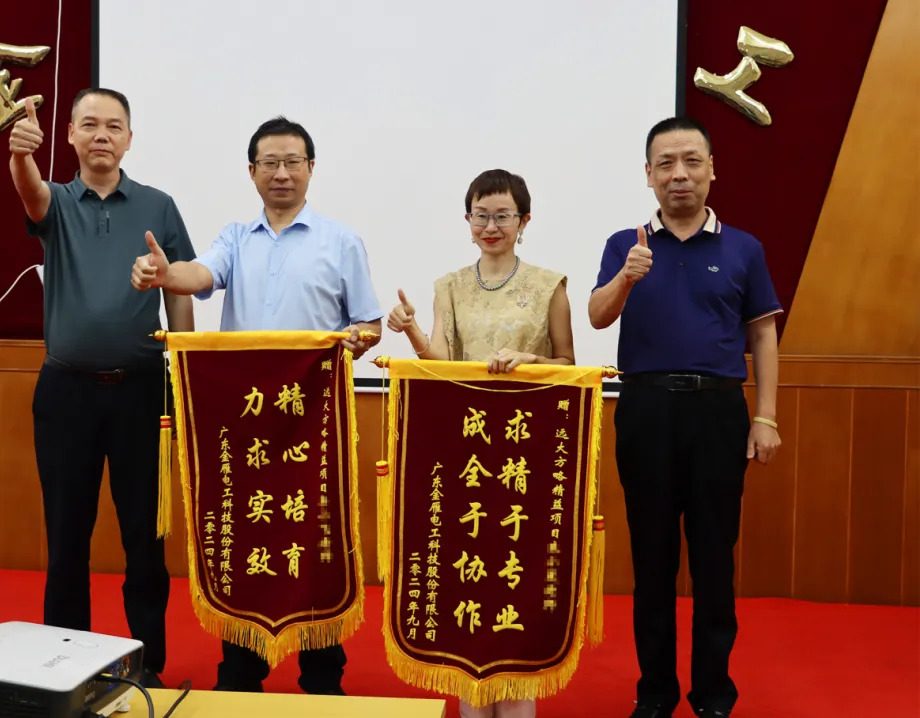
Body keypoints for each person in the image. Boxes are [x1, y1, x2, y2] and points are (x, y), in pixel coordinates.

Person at [130, 116, 383, 695]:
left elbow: (368, 324)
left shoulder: (340, 241)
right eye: (270, 163)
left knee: (316, 540)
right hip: (243, 425)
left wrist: (358, 339)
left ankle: (323, 674)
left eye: (293, 162)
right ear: (252, 172)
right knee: (246, 536)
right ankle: (241, 670)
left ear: (311, 169)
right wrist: (166, 273)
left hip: (314, 423)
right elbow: (199, 276)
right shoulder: (235, 239)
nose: (281, 173)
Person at [589, 117, 782, 718]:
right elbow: (597, 316)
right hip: (645, 408)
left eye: (691, 161)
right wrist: (627, 277)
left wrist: (767, 416)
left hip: (718, 412)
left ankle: (713, 694)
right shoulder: (625, 243)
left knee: (714, 559)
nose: (680, 174)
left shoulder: (743, 247)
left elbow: (763, 334)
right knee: (652, 560)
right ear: (648, 174)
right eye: (666, 164)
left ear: (711, 169)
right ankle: (655, 693)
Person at [8, 87, 196, 688]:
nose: (101, 135)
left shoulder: (159, 205)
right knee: (67, 536)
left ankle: (148, 663)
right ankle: (65, 668)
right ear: (69, 135)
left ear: (129, 139)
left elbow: (178, 288)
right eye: (89, 124)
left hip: (144, 393)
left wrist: (184, 367)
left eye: (114, 126)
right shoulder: (58, 200)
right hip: (66, 394)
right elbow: (31, 194)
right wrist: (20, 154)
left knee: (145, 538)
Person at [387, 168, 576, 718]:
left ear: (524, 221)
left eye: (503, 216)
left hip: (525, 454)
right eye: (481, 215)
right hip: (465, 452)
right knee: (467, 574)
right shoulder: (448, 286)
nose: (491, 226)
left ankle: (518, 699)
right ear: (467, 220)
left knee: (516, 577)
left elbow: (568, 363)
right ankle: (472, 697)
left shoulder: (550, 285)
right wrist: (412, 330)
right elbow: (443, 363)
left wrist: (531, 360)